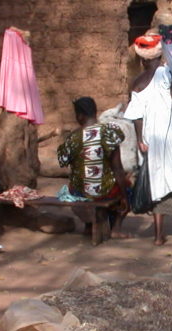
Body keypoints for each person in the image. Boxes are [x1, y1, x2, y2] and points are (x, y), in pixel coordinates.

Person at [123, 33, 172, 246]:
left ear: (142, 59)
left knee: (157, 181)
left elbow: (136, 115)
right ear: (160, 55)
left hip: (152, 138)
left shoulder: (137, 82)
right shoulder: (167, 74)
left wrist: (141, 139)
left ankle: (158, 236)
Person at [56, 96, 132, 238]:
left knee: (80, 182)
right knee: (127, 186)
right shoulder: (109, 133)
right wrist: (125, 197)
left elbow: (64, 162)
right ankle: (116, 228)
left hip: (79, 193)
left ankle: (88, 226)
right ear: (95, 112)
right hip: (104, 192)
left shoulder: (72, 138)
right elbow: (118, 169)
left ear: (79, 116)